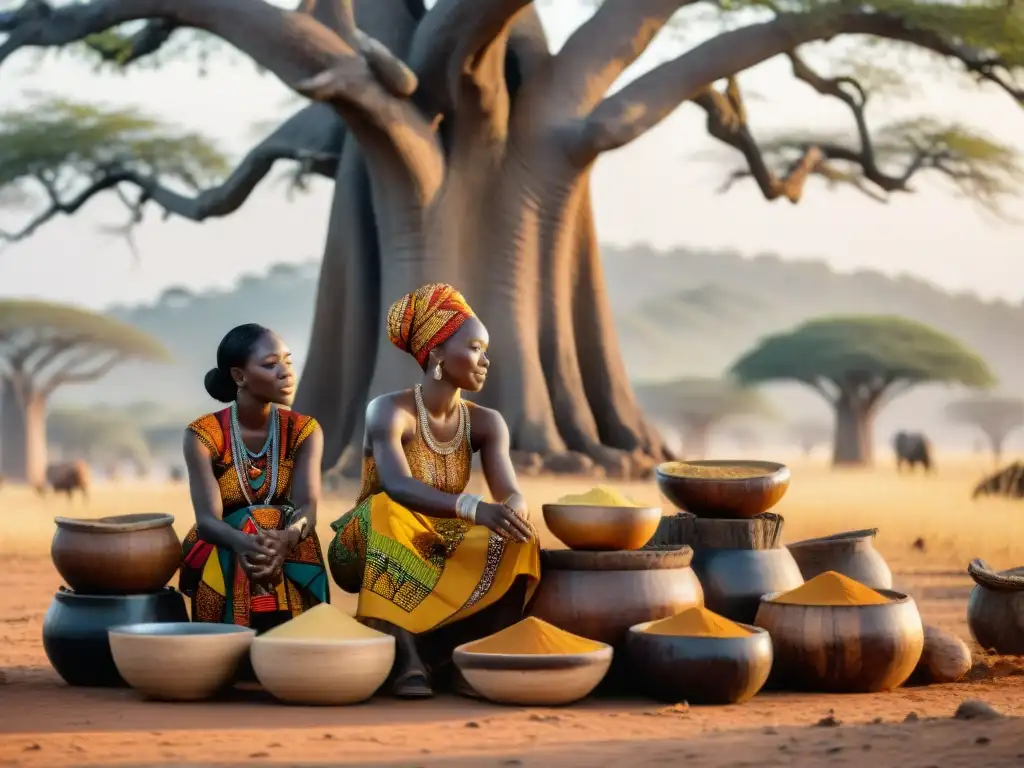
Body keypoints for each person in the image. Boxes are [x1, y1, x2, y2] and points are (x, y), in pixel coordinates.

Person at [327, 283, 541, 698]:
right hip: (366, 541)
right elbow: (397, 485)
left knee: (522, 540)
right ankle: (406, 656)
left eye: (485, 350)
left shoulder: (486, 422)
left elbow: (511, 492)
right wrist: (475, 508)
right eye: (476, 347)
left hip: (442, 541)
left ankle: (464, 656)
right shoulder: (389, 410)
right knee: (386, 509)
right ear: (438, 353)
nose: (485, 360)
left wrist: (513, 512)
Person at [179, 323, 330, 631]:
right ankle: (232, 637)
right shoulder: (204, 435)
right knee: (252, 521)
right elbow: (208, 522)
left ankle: (296, 633)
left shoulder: (303, 430)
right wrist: (248, 545)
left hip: (288, 542)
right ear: (239, 376)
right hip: (225, 544)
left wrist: (286, 538)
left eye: (288, 361)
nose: (286, 372)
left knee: (284, 525)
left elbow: (307, 509)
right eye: (270, 364)